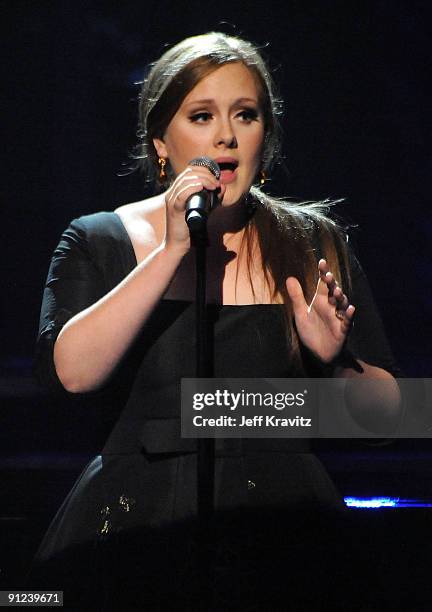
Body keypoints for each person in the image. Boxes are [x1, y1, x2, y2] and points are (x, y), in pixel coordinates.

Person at [30, 32, 400, 610]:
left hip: (283, 534)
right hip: (138, 531)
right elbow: (72, 376)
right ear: (161, 142)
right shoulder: (98, 238)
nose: (226, 134)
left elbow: (391, 417)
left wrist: (334, 364)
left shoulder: (311, 243)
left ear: (264, 137)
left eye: (245, 115)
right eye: (202, 116)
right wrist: (173, 249)